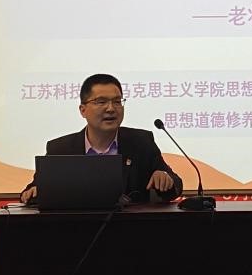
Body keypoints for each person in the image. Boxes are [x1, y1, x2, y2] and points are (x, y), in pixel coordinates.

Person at [20, 73, 183, 205]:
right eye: (101, 102)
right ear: (83, 110)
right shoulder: (60, 149)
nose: (111, 108)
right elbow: (31, 191)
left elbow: (176, 186)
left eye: (117, 101)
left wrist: (165, 179)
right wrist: (34, 193)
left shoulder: (141, 142)